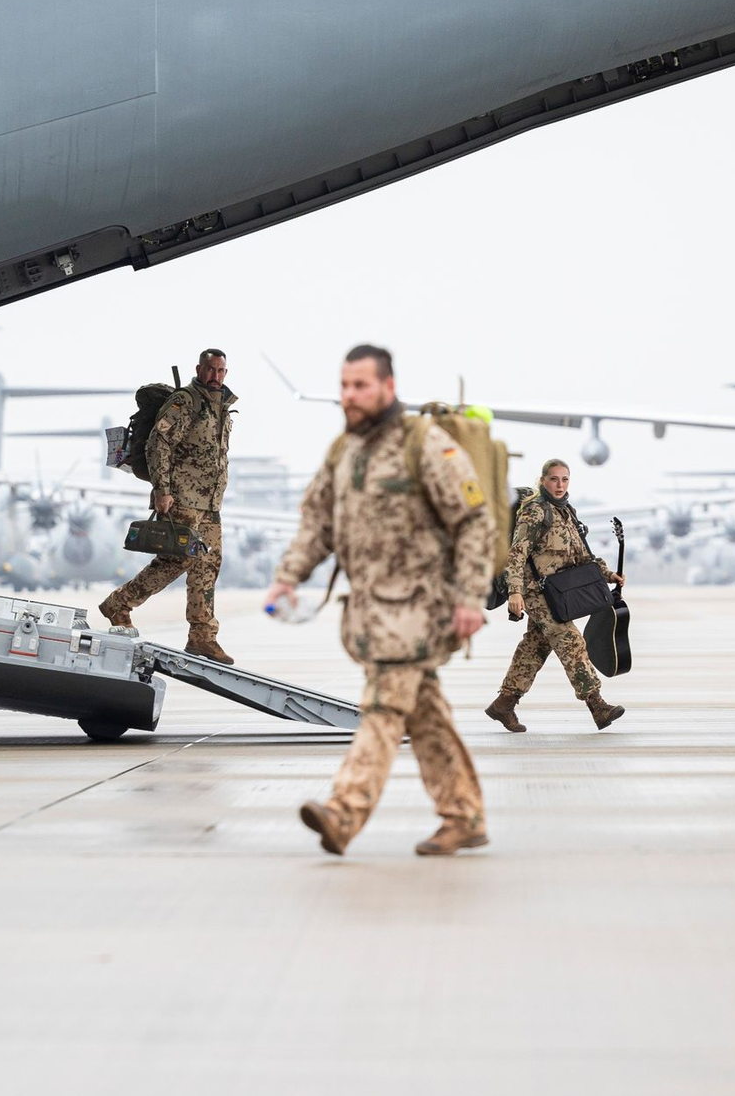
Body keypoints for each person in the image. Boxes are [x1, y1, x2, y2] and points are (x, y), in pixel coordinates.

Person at [265, 344, 495, 857]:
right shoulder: (343, 452)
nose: (349, 396)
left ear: (388, 387)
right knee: (425, 714)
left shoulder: (425, 444)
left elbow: (474, 521)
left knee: (383, 706)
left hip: (422, 608)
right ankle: (464, 815)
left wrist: (470, 598)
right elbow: (317, 523)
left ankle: (344, 813)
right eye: (344, 385)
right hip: (372, 612)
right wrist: (288, 578)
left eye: (360, 385)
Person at [99, 349, 236, 664]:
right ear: (199, 369)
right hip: (182, 497)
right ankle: (119, 604)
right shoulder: (184, 403)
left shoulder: (222, 407)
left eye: (221, 370)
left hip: (210, 502)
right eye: (211, 369)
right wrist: (162, 490)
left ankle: (203, 637)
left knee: (207, 565)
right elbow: (158, 445)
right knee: (176, 561)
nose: (216, 376)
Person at [484, 459, 626, 733]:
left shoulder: (566, 511)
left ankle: (504, 703)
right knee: (571, 641)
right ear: (543, 480)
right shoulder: (534, 512)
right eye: (554, 479)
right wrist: (515, 591)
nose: (559, 485)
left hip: (558, 591)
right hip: (536, 591)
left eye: (564, 479)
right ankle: (597, 705)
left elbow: (582, 554)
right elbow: (516, 554)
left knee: (535, 646)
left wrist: (608, 574)